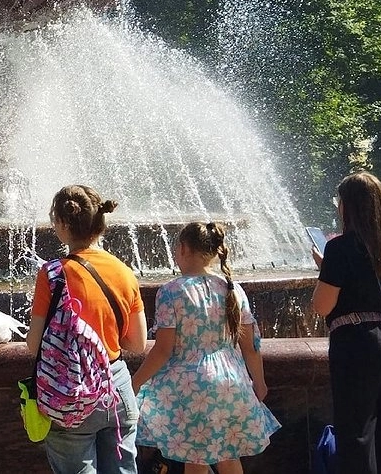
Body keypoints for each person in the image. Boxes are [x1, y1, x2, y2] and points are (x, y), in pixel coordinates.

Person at [132, 222, 279, 473]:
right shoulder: (232, 289)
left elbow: (163, 350)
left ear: (183, 248)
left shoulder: (172, 291)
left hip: (190, 386)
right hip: (232, 382)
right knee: (229, 455)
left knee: (195, 457)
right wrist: (259, 382)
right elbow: (250, 346)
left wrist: (135, 382)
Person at [25, 185, 147, 474]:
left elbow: (34, 344)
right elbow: (137, 343)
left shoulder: (53, 274)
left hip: (70, 392)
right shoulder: (123, 271)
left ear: (62, 223)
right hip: (116, 388)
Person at [312, 171, 381, 474]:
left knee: (356, 434)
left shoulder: (340, 247)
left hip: (357, 345)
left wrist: (325, 270)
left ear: (347, 206)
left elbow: (323, 305)